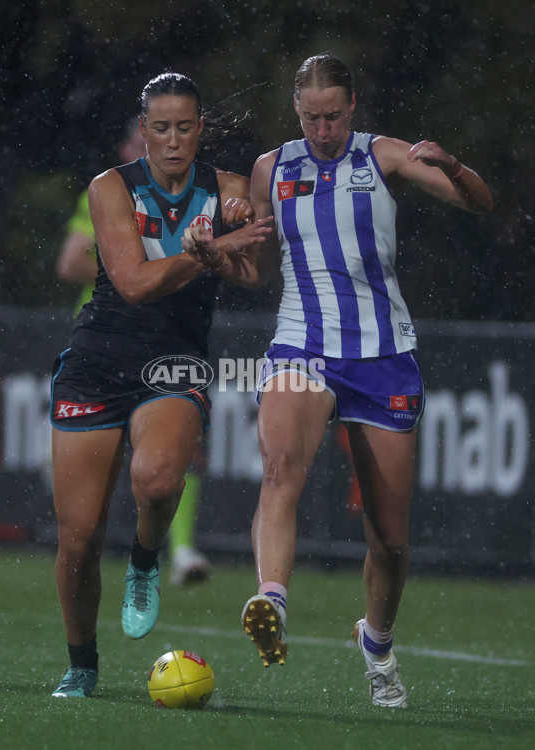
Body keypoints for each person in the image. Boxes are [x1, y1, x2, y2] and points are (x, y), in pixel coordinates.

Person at [182, 53, 493, 709]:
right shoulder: (273, 168)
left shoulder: (383, 157)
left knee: (390, 537)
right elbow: (260, 271)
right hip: (302, 344)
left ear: (352, 109)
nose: (321, 130)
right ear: (297, 113)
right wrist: (217, 257)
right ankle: (271, 601)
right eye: (310, 117)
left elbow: (478, 204)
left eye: (332, 117)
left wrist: (455, 168)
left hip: (383, 356)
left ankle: (377, 645)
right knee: (280, 468)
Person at [49, 72, 272, 698]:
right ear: (143, 131)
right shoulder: (109, 189)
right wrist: (206, 252)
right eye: (161, 128)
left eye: (185, 128)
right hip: (98, 354)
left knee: (158, 479)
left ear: (201, 129)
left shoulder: (228, 190)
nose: (173, 141)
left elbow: (256, 273)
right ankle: (82, 662)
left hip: (176, 355)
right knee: (79, 536)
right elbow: (135, 283)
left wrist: (231, 244)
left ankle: (145, 562)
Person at [55, 122, 212, 587]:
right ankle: (118, 558)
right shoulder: (106, 192)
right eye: (143, 139)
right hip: (104, 343)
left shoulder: (192, 197)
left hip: (167, 339)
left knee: (173, 463)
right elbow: (69, 262)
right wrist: (127, 269)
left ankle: (172, 552)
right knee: (93, 498)